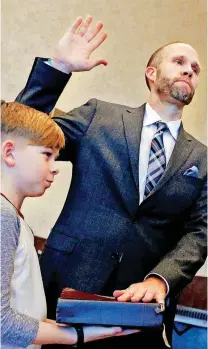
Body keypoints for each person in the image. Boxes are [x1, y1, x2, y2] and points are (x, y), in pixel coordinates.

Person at [16, 16, 207, 349]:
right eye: (179, 62)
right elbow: (23, 132)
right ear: (152, 73)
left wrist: (161, 280)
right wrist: (59, 67)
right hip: (64, 291)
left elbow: (199, 232)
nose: (190, 70)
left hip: (138, 309)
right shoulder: (99, 117)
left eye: (195, 67)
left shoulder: (202, 159)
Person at [0, 101, 137, 348]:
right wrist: (79, 336)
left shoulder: (12, 216)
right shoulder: (3, 216)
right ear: (9, 152)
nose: (55, 168)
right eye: (47, 155)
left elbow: (25, 315)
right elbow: (2, 323)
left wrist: (91, 329)